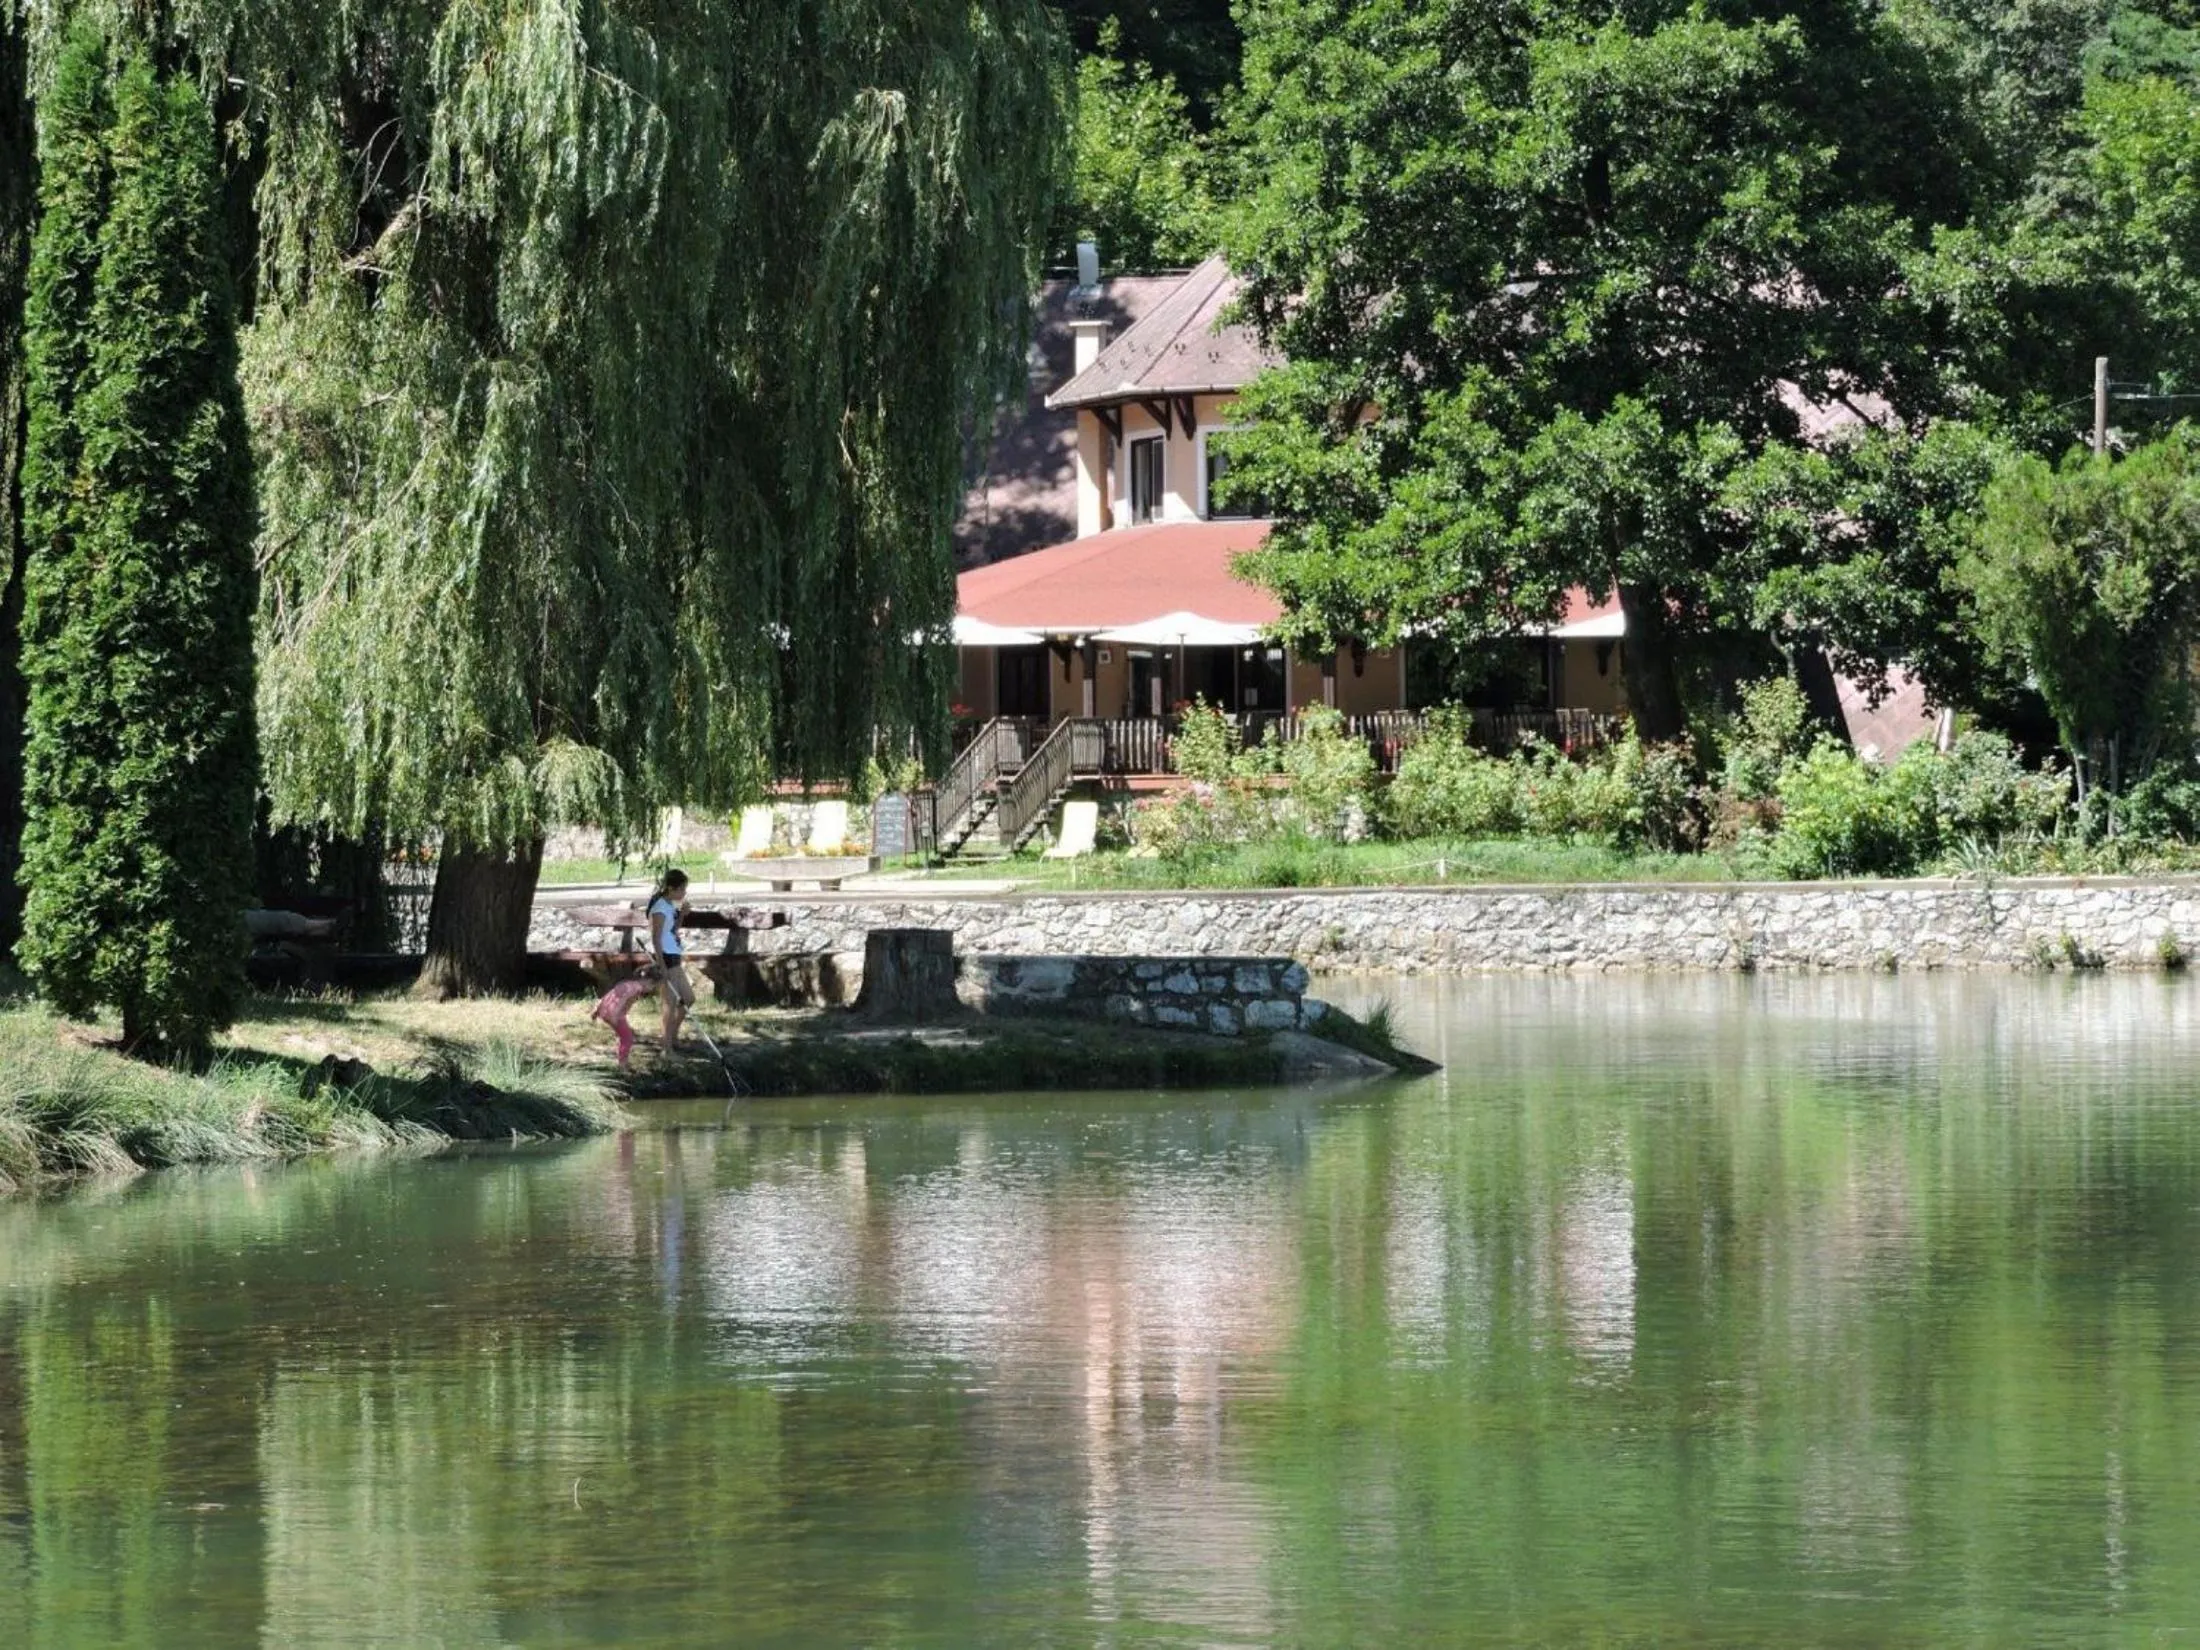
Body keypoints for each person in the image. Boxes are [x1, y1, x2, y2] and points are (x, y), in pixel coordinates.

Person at [649, 869, 694, 1054]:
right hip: (666, 957)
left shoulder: (670, 905)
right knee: (670, 1003)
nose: (684, 893)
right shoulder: (659, 908)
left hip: (675, 954)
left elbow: (672, 931)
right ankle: (666, 1049)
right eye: (682, 889)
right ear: (670, 888)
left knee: (689, 999)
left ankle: (671, 1037)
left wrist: (682, 914)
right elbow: (656, 938)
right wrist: (661, 965)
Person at [590, 973, 658, 1070]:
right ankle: (622, 1063)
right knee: (627, 1038)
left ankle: (623, 1060)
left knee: (625, 1034)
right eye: (653, 986)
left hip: (606, 1011)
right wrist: (615, 1015)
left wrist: (597, 1009)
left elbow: (611, 994)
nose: (652, 989)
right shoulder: (636, 988)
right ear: (648, 980)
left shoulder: (627, 984)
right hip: (615, 1015)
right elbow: (622, 999)